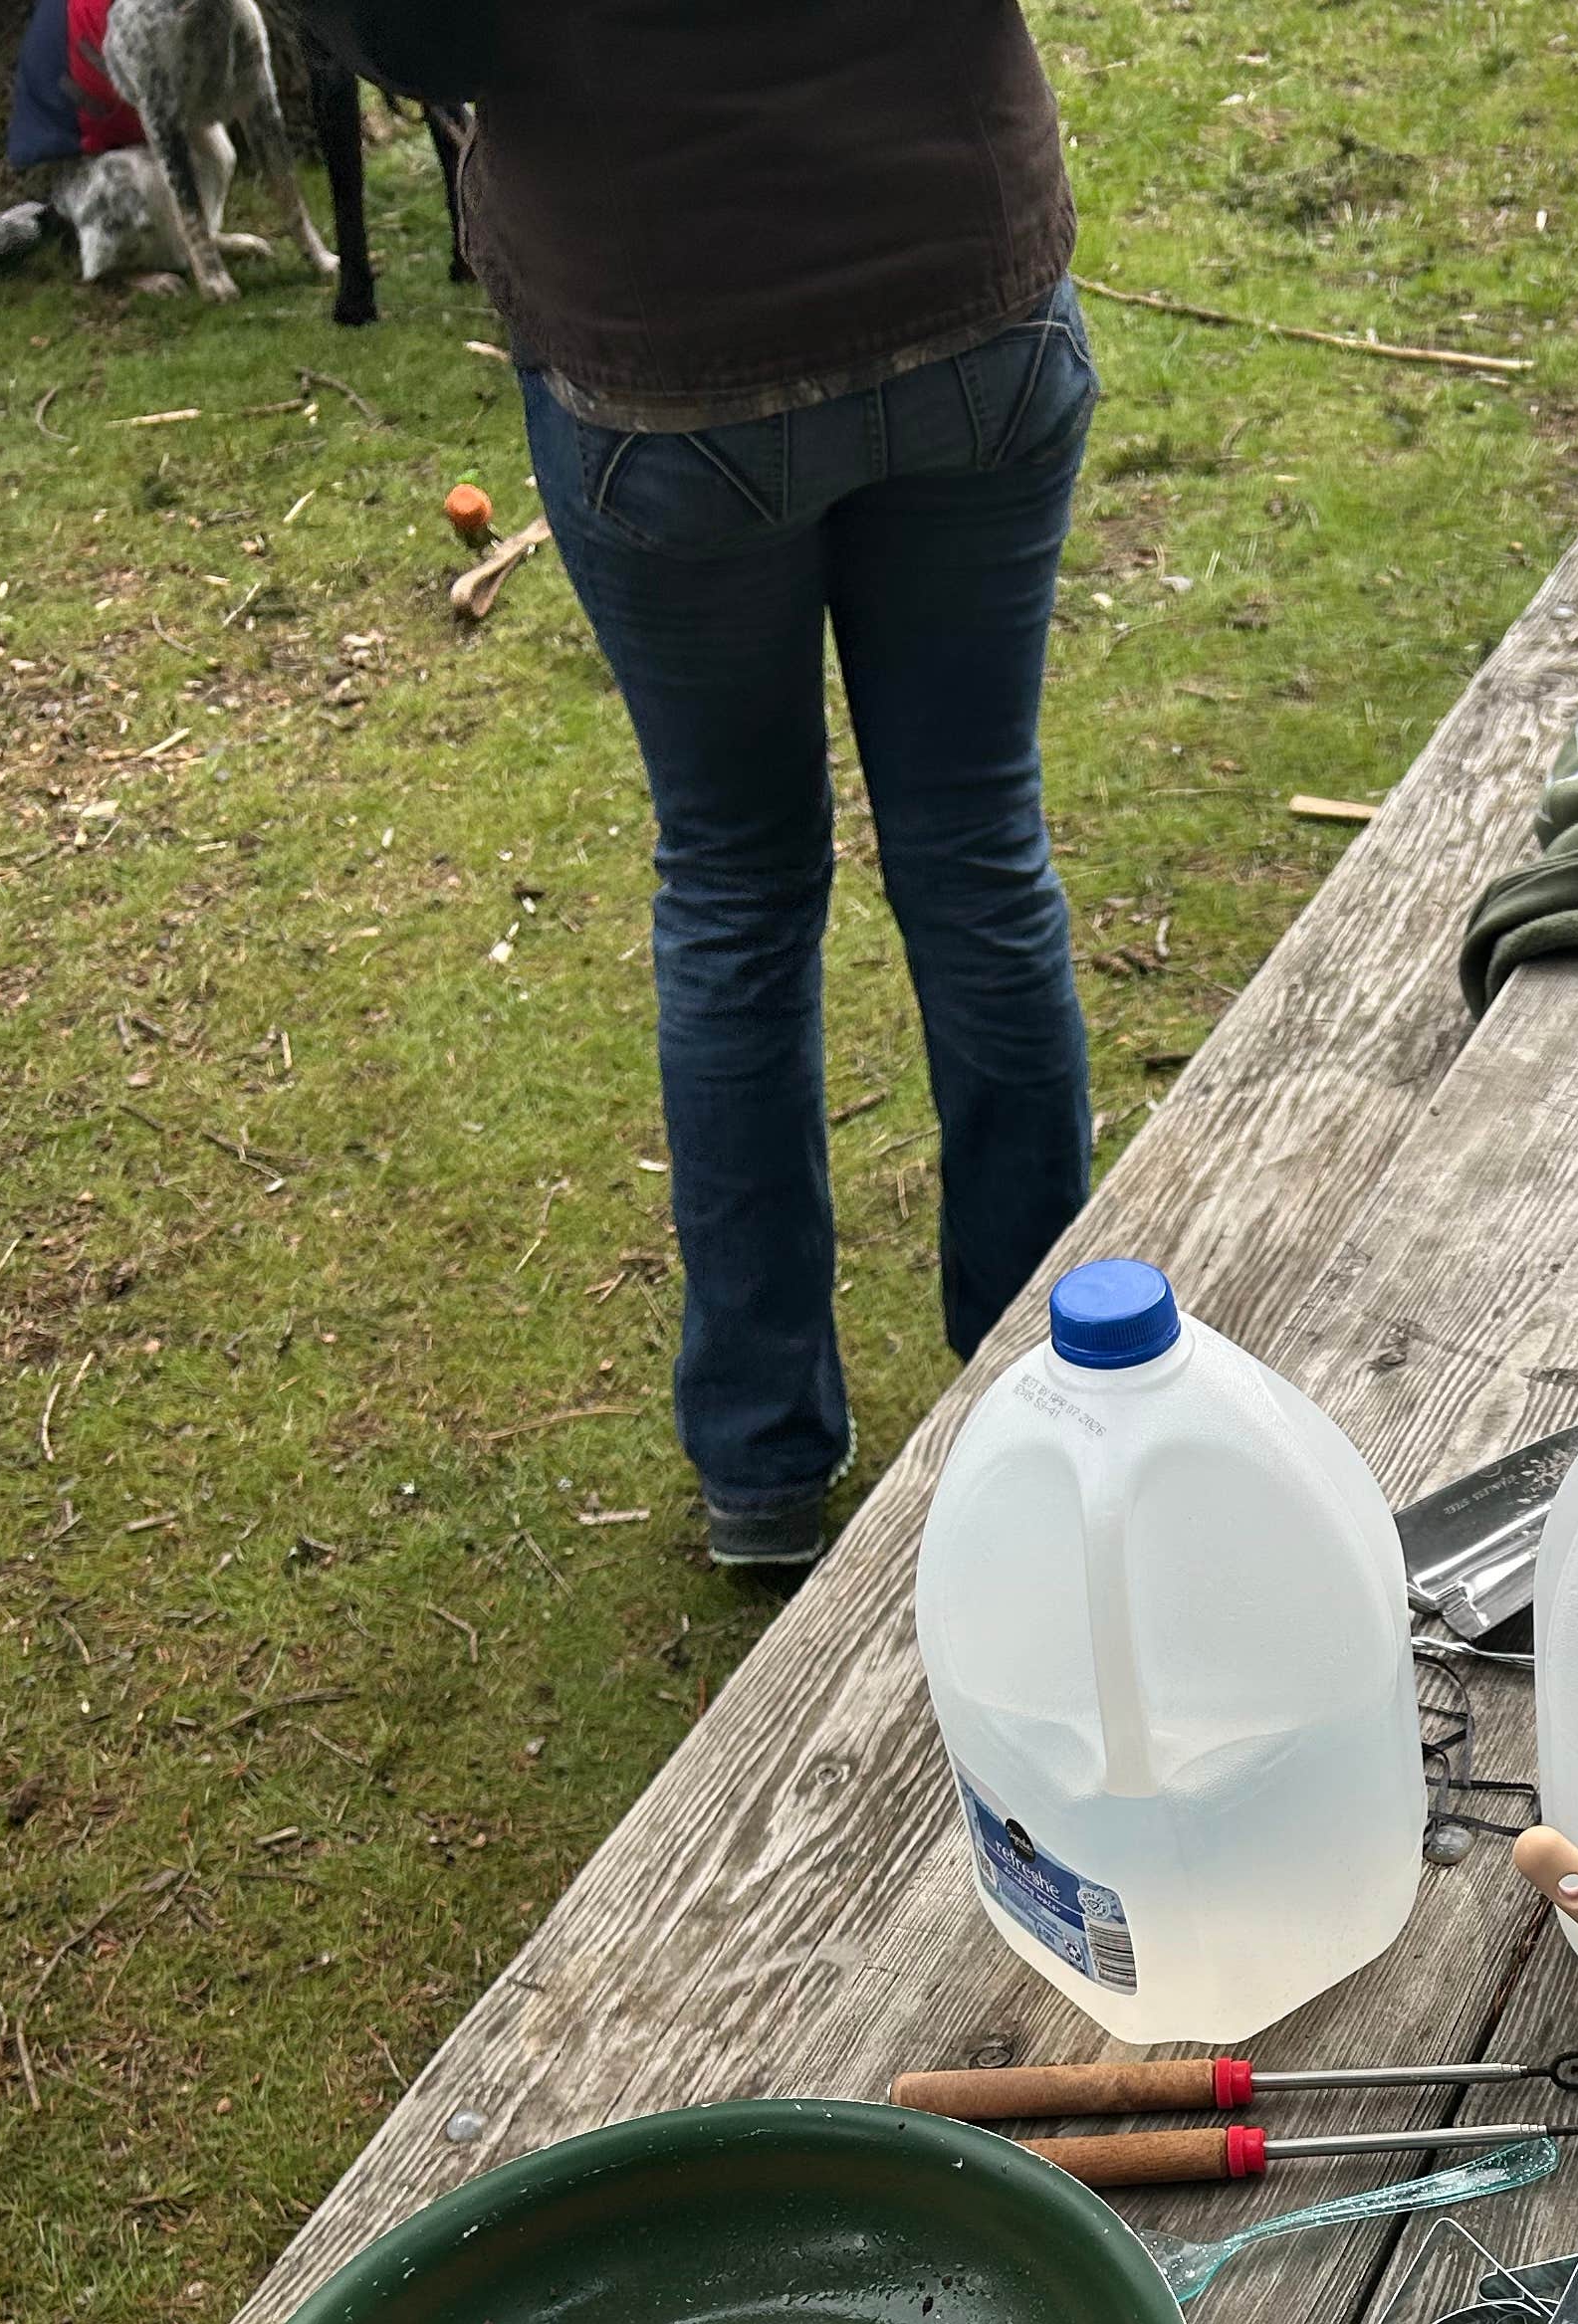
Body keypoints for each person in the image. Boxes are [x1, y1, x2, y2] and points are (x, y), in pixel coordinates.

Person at [316, 0, 1097, 1570]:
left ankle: (764, 1464)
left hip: (668, 343)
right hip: (960, 284)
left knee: (742, 885)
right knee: (974, 845)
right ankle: (1060, 1410)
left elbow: (419, 34)